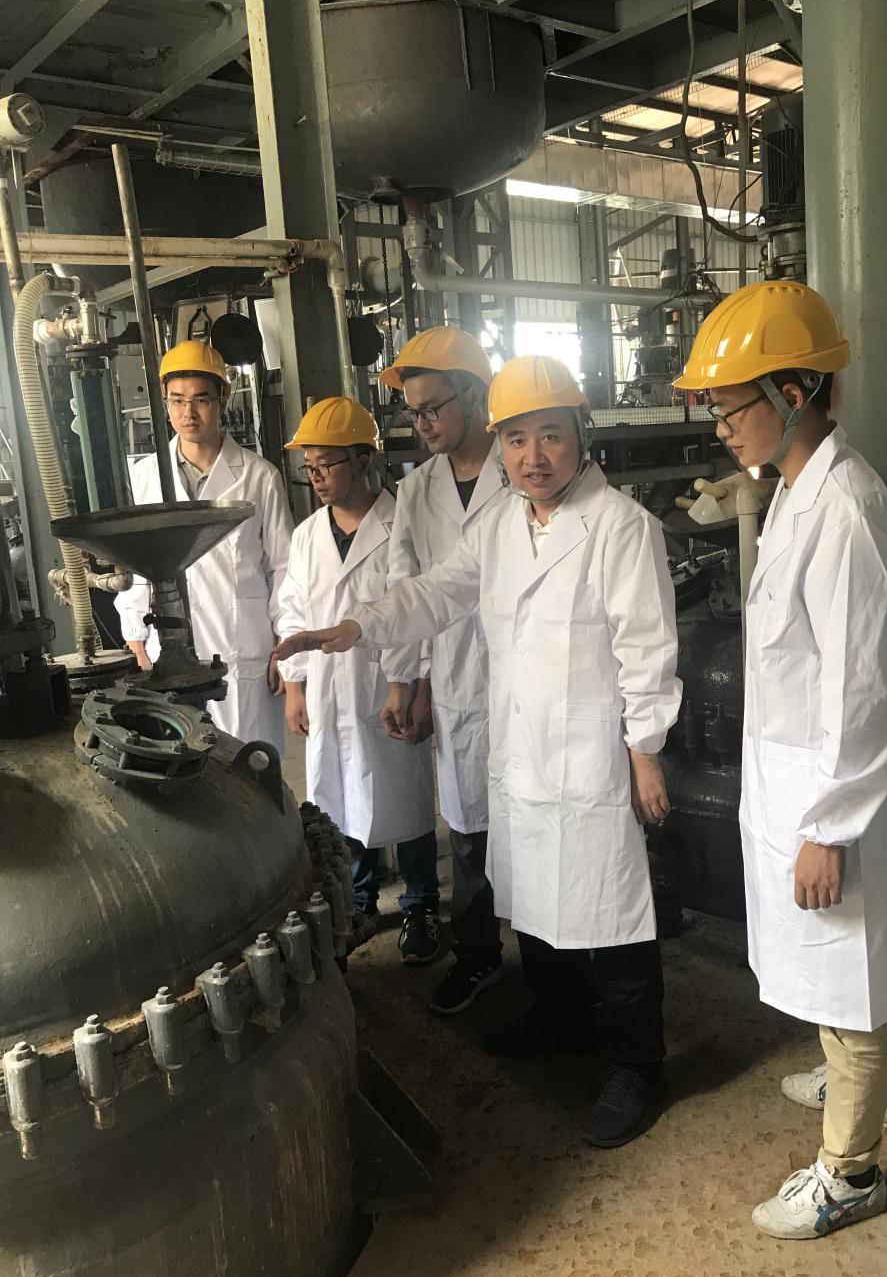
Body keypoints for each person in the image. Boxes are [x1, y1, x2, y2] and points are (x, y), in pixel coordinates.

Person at [274, 356, 682, 1149]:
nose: (534, 456)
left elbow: (646, 650)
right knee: (531, 896)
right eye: (518, 440)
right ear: (501, 445)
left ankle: (639, 1062)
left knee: (611, 912)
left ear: (580, 436)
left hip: (592, 754)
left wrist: (645, 751)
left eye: (551, 436)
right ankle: (561, 1016)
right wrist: (355, 626)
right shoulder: (498, 526)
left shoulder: (621, 526)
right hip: (520, 747)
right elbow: (434, 592)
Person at [673, 279, 887, 1238]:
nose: (721, 429)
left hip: (839, 792)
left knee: (849, 971)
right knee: (837, 968)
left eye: (730, 409)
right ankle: (868, 1085)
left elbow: (859, 690)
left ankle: (851, 1172)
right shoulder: (797, 488)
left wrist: (828, 826)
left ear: (793, 393)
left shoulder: (848, 508)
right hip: (805, 781)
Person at [275, 397, 441, 965]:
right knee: (339, 801)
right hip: (328, 688)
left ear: (363, 459)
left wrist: (418, 685)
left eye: (326, 464)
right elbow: (292, 611)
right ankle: (359, 901)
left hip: (389, 685)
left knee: (407, 800)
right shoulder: (306, 536)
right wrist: (294, 684)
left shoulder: (401, 527)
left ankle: (420, 904)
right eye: (310, 467)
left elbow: (419, 611)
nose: (317, 477)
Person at [378, 327, 506, 1014]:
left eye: (432, 408)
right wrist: (406, 679)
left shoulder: (520, 468)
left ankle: (560, 971)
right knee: (470, 829)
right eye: (413, 412)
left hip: (531, 673)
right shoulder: (417, 490)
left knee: (541, 826)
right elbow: (406, 589)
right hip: (457, 673)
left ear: (475, 396)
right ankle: (478, 955)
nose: (421, 423)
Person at [115, 339, 292, 754]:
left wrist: (285, 647)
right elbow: (136, 563)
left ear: (222, 398)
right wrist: (135, 633)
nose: (188, 413)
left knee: (249, 764)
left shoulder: (259, 476)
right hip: (167, 650)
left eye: (200, 400)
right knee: (182, 760)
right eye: (177, 400)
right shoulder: (145, 476)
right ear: (164, 401)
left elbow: (283, 567)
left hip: (242, 648)